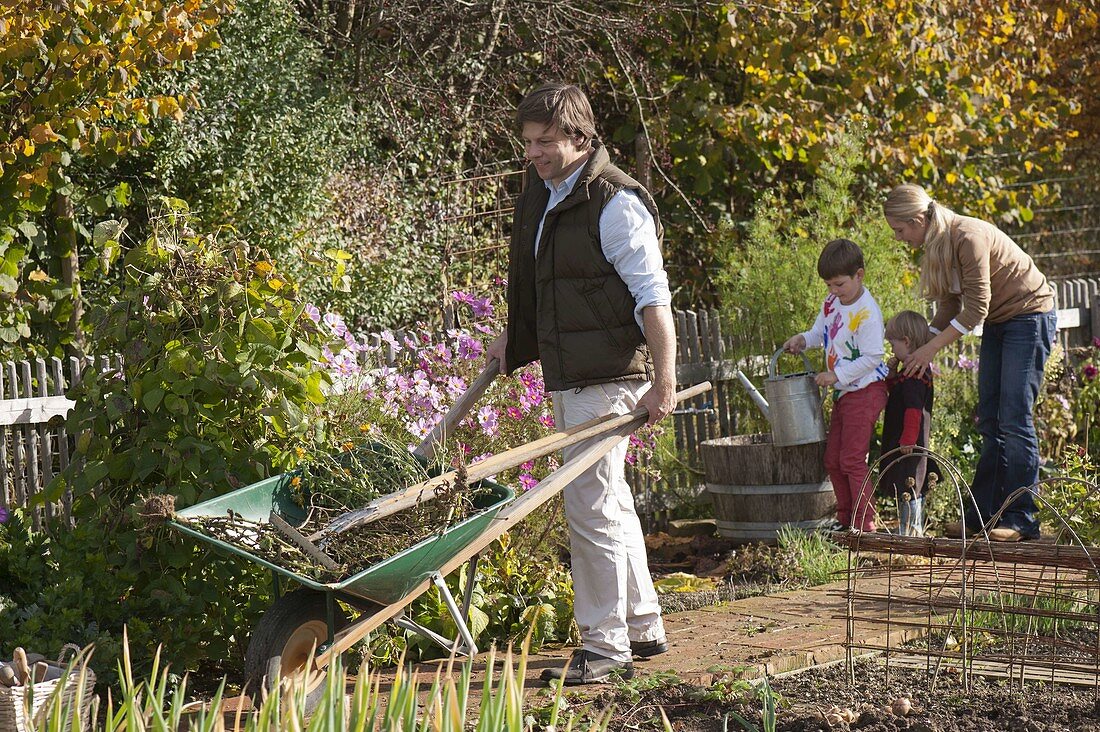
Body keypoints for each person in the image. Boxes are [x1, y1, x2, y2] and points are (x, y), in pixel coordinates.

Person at [486, 82, 676, 685]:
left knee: (589, 505)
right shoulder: (543, 196)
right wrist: (514, 340)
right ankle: (642, 625)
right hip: (571, 371)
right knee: (609, 500)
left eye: (544, 142)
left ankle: (603, 647)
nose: (533, 153)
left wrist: (665, 380)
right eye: (528, 143)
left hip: (607, 374)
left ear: (579, 137)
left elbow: (653, 296)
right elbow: (546, 287)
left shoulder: (614, 202)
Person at [883, 184, 1056, 542]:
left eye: (900, 230)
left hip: (1029, 316)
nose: (900, 238)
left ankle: (1023, 519)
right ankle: (984, 517)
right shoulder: (940, 243)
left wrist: (929, 351)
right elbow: (950, 304)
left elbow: (975, 309)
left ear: (917, 220)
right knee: (990, 418)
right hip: (1001, 320)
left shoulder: (967, 236)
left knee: (1014, 418)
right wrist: (919, 343)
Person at [782, 239, 890, 533]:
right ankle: (845, 519)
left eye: (839, 284)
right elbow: (820, 332)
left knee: (852, 459)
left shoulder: (867, 312)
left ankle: (864, 523)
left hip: (866, 391)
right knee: (833, 460)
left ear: (859, 275)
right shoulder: (831, 303)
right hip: (846, 392)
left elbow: (873, 357)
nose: (833, 291)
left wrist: (836, 375)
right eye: (829, 285)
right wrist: (803, 339)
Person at [880, 310, 936, 536]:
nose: (891, 350)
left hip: (909, 442)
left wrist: (908, 439)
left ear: (906, 341)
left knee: (909, 484)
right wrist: (892, 373)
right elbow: (897, 394)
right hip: (906, 440)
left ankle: (910, 532)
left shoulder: (915, 374)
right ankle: (911, 530)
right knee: (909, 483)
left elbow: (914, 410)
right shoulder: (908, 371)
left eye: (893, 345)